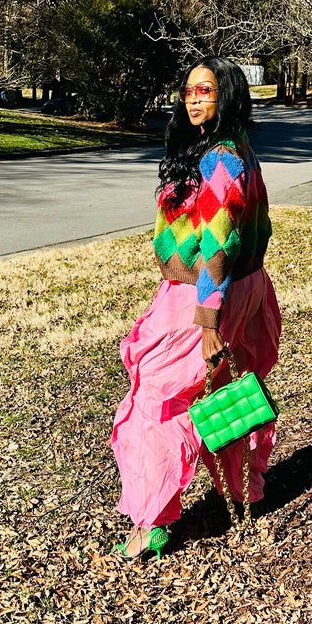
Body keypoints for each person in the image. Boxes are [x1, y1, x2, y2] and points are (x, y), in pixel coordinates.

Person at [110, 55, 281, 558]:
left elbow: (218, 245)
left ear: (227, 94)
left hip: (203, 299)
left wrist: (207, 323)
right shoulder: (234, 149)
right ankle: (245, 489)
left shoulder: (222, 158)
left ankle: (154, 519)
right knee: (226, 397)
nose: (193, 98)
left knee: (156, 402)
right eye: (188, 91)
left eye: (205, 90)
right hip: (245, 291)